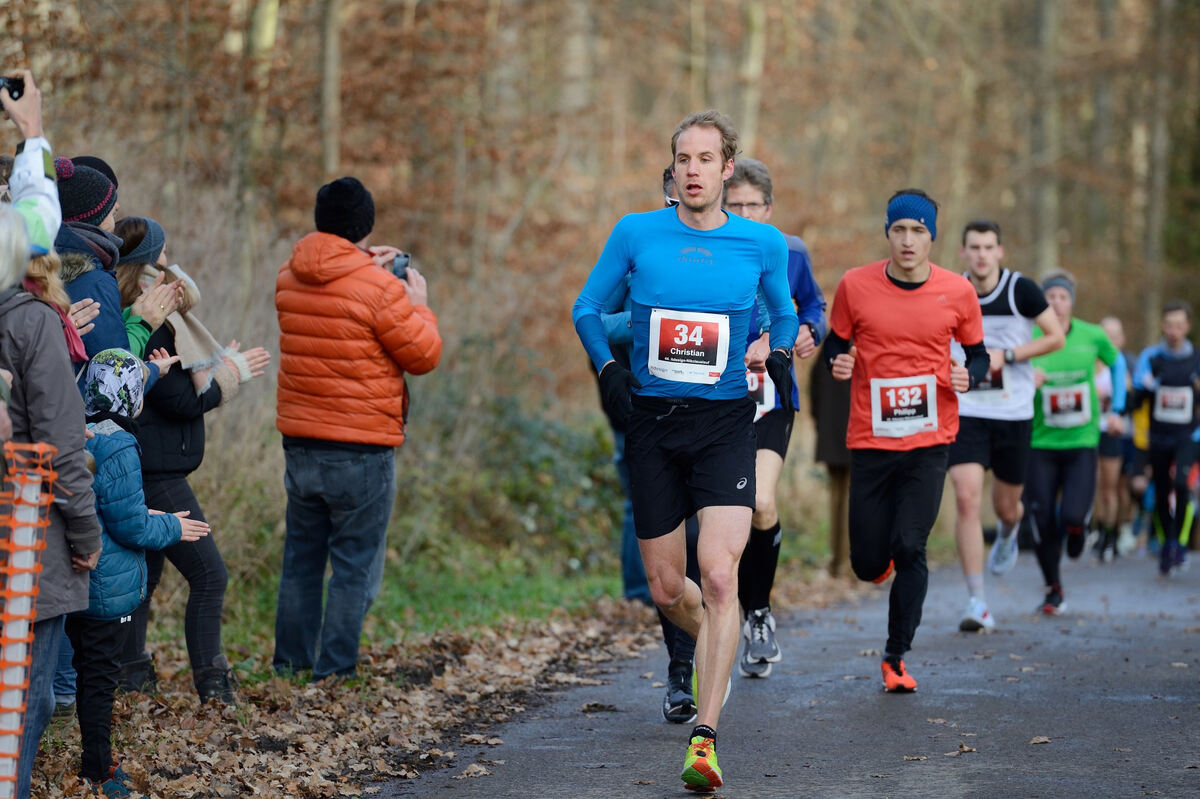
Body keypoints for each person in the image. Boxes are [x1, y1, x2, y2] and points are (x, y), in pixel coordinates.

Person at [573, 110, 799, 791]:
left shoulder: (760, 243)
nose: (692, 170)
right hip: (651, 426)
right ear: (671, 168)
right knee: (668, 587)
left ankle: (705, 736)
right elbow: (587, 307)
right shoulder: (636, 232)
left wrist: (780, 349)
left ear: (728, 168)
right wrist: (608, 371)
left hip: (726, 423)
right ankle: (715, 647)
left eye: (705, 158)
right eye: (683, 158)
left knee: (722, 574)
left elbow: (784, 311)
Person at [274, 177, 442, 680]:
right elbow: (423, 354)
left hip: (300, 441)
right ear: (365, 227)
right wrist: (418, 302)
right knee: (353, 564)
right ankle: (335, 671)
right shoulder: (381, 290)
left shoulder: (289, 276)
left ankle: (289, 665)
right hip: (361, 448)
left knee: (301, 560)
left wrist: (365, 266)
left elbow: (335, 295)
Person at [825, 189, 987, 693]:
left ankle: (896, 658)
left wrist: (970, 376)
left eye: (919, 231)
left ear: (933, 238)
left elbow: (977, 355)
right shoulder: (855, 285)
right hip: (871, 440)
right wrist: (839, 360)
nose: (909, 240)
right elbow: (836, 340)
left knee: (910, 546)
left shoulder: (958, 292)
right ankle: (882, 561)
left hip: (930, 440)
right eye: (900, 230)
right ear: (888, 234)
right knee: (868, 562)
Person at [112, 216, 270, 702]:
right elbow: (179, 400)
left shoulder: (155, 320)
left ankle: (130, 673)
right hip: (156, 473)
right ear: (143, 268)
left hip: (154, 467)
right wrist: (229, 375)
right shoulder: (151, 325)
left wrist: (221, 369)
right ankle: (213, 685)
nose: (172, 270)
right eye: (162, 259)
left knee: (147, 574)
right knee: (209, 574)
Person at [2, 69, 102, 799]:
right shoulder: (34, 322)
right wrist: (88, 534)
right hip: (24, 540)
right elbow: (65, 447)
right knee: (22, 702)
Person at [69, 348, 209, 795]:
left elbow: (108, 508)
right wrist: (172, 525)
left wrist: (154, 367)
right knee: (99, 678)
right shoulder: (121, 444)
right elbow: (130, 524)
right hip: (106, 588)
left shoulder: (79, 430)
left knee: (83, 671)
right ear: (133, 399)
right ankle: (97, 768)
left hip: (72, 579)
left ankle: (89, 757)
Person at [599, 166, 702, 724]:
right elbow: (598, 319)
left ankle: (727, 630)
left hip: (721, 420)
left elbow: (770, 316)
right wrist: (646, 327)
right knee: (673, 548)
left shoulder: (733, 248)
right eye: (672, 192)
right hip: (651, 416)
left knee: (712, 547)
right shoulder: (639, 245)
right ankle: (682, 668)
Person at [723, 157, 826, 678]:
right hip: (716, 400)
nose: (743, 213)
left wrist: (810, 331)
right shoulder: (708, 248)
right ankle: (720, 622)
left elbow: (814, 306)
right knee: (722, 519)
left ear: (769, 208)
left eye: (752, 206)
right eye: (733, 204)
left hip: (771, 400)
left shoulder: (790, 251)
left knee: (761, 500)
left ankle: (758, 613)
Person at [946, 219, 1064, 632]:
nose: (981, 254)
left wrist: (1008, 356)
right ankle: (977, 601)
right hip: (966, 411)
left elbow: (1055, 337)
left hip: (1013, 412)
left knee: (1006, 507)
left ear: (1000, 252)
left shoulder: (1021, 290)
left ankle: (1010, 531)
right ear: (963, 253)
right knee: (965, 497)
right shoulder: (950, 289)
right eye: (974, 247)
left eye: (988, 247)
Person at [1026, 271, 1125, 613]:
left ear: (1071, 301)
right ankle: (1054, 589)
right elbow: (1006, 372)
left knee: (1071, 514)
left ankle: (1078, 529)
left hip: (1082, 440)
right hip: (1040, 443)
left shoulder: (1092, 335)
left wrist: (1119, 408)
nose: (1055, 302)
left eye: (1062, 296)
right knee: (1040, 521)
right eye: (1049, 297)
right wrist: (1028, 380)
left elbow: (1118, 362)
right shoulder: (1031, 336)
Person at [1130, 300, 1200, 576]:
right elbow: (1137, 400)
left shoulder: (1196, 359)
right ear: (1162, 325)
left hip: (1188, 436)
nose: (1174, 331)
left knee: (1181, 486)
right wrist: (1144, 388)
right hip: (1157, 437)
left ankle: (1178, 545)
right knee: (1159, 491)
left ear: (1188, 327)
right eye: (1169, 325)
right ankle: (1165, 541)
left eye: (1179, 326)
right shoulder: (1150, 357)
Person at [810, 326, 852, 578]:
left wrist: (821, 423)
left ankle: (838, 562)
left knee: (836, 501)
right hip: (858, 436)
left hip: (830, 437)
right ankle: (848, 564)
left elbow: (813, 390)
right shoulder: (866, 343)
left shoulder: (829, 346)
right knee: (855, 501)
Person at [1095, 315, 1134, 560]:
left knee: (1113, 488)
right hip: (1088, 432)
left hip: (1114, 433)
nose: (1109, 340)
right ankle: (1099, 531)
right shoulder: (1087, 363)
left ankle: (1112, 534)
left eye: (1114, 335)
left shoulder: (1122, 366)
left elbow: (1131, 402)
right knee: (1095, 487)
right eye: (1105, 334)